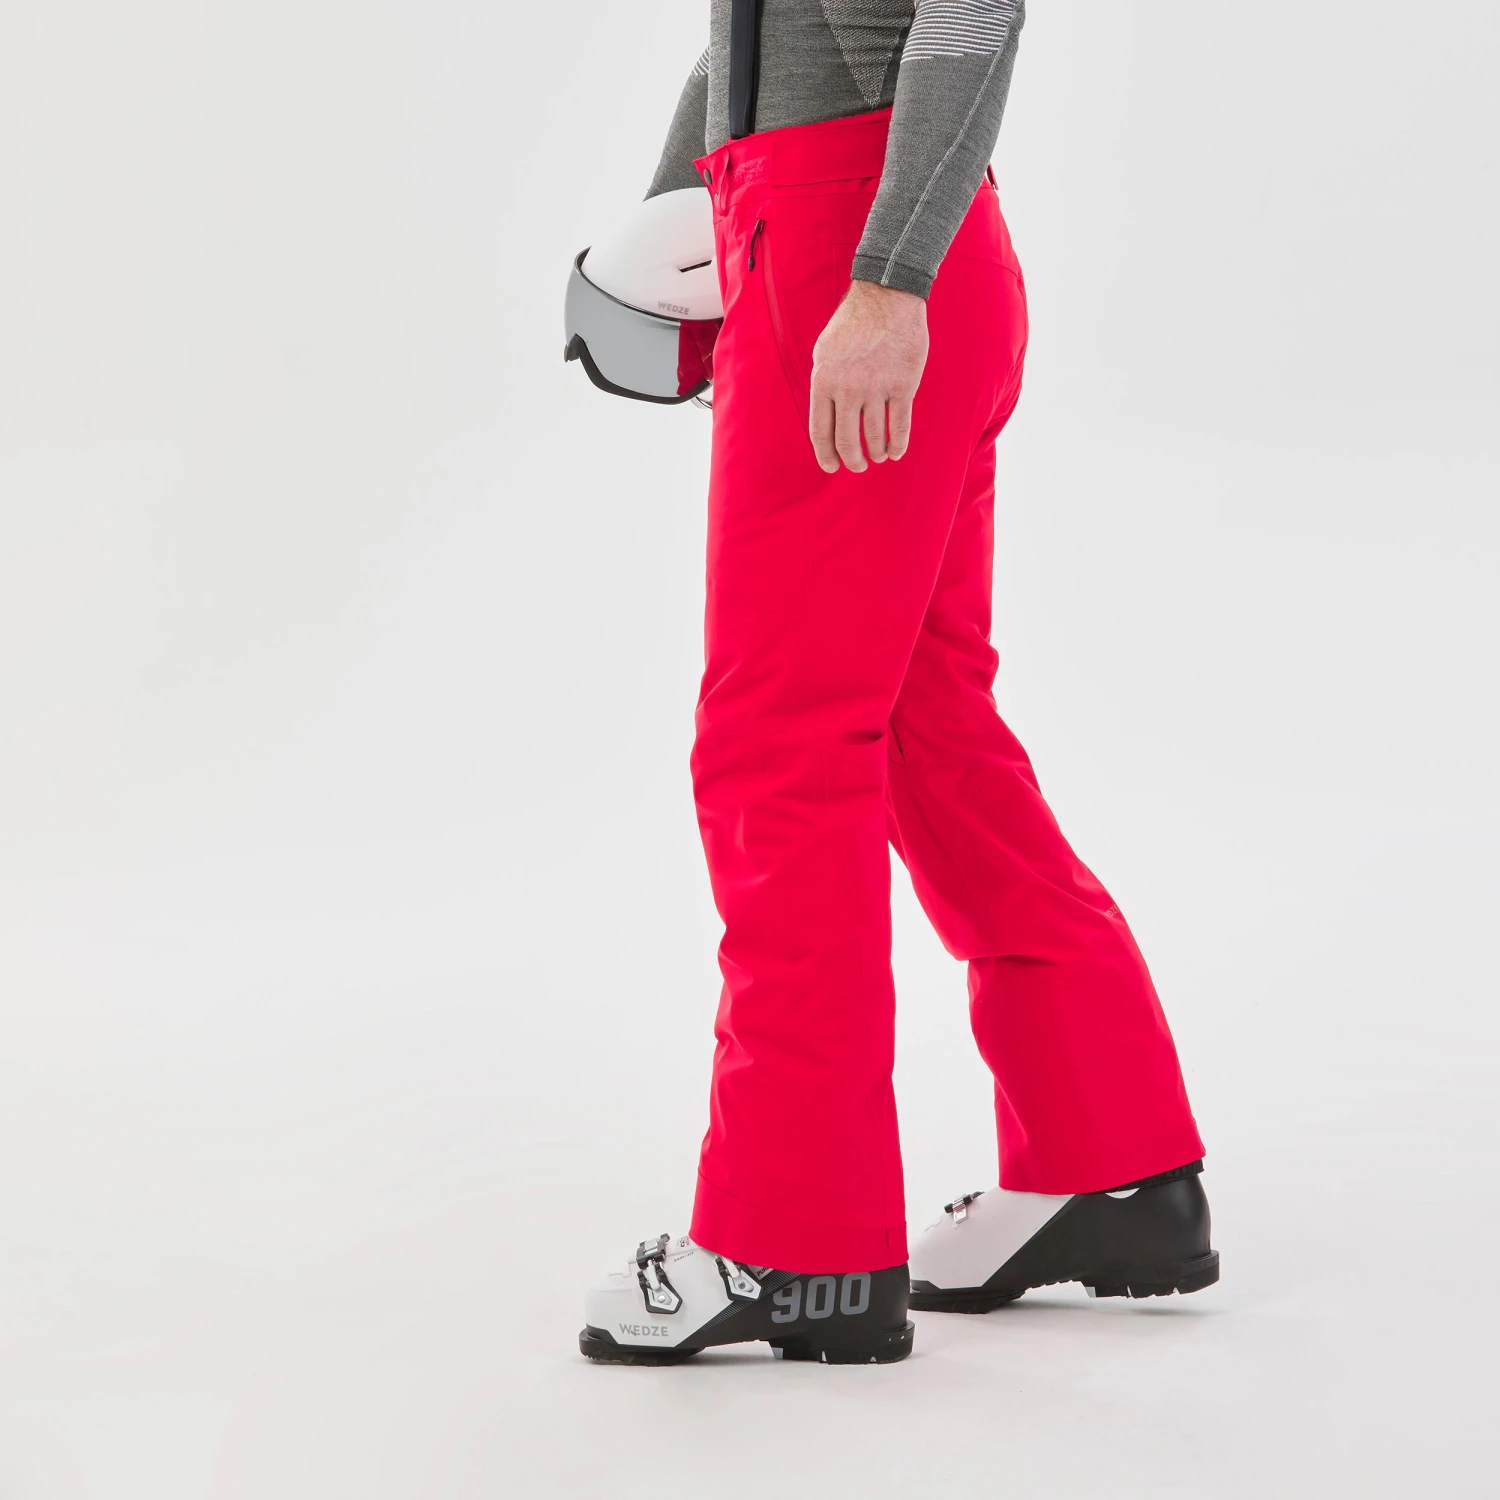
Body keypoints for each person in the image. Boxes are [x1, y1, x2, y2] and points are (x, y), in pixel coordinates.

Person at [580, 0, 1215, 1367]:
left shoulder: (874, 266)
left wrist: (884, 280)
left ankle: (794, 1240)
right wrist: (674, 232)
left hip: (856, 257)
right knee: (929, 729)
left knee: (779, 744)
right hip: (838, 241)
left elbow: (970, 20)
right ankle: (1110, 1166)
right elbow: (755, 37)